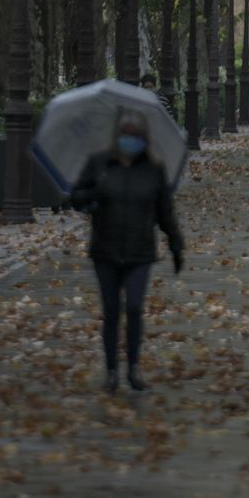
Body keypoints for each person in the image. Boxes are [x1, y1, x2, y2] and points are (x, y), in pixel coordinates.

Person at [69, 113, 183, 393]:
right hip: (105, 250)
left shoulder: (153, 169)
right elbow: (75, 198)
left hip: (140, 251)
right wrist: (95, 193)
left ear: (143, 140)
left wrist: (176, 243)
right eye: (125, 134)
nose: (129, 139)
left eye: (135, 135)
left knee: (133, 308)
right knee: (111, 311)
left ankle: (133, 367)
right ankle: (111, 371)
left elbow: (164, 211)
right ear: (117, 136)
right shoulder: (99, 163)